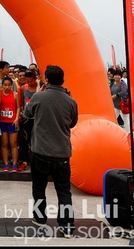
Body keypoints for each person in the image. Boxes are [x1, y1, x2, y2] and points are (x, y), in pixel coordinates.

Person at [23, 65, 78, 239]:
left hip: (41, 151)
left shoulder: (38, 97)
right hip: (62, 153)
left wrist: (38, 94)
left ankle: (40, 219)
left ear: (46, 80)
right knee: (64, 191)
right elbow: (72, 123)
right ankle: (67, 226)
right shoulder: (71, 101)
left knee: (39, 188)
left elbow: (27, 113)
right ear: (62, 80)